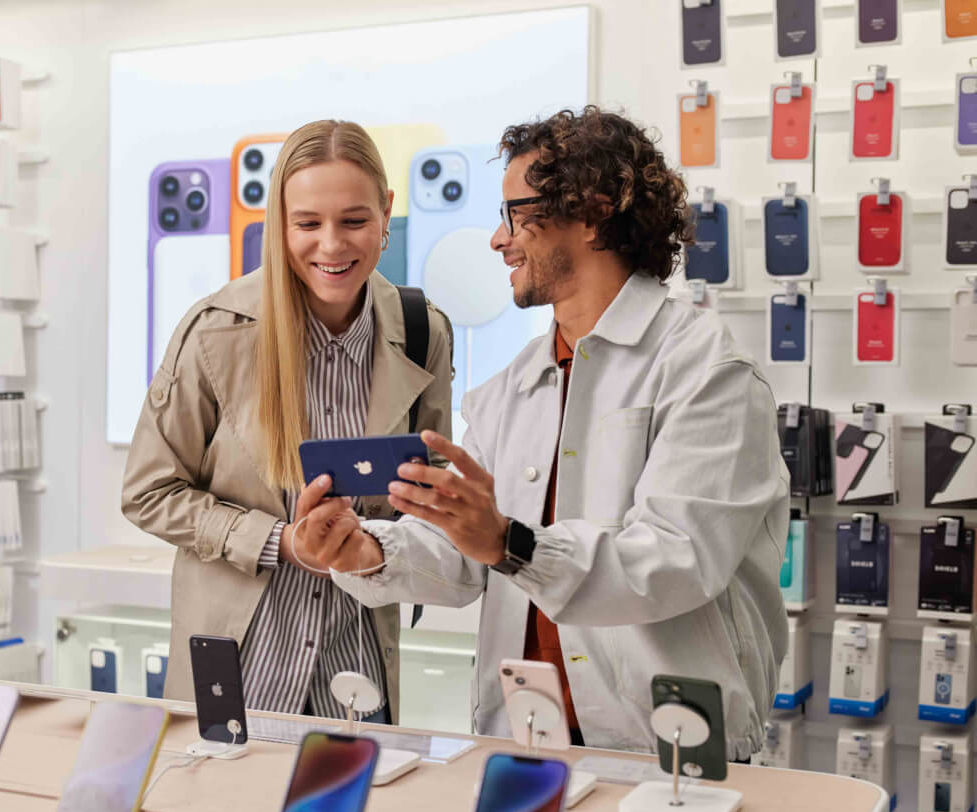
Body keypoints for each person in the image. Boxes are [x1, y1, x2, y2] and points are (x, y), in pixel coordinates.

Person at [292, 107, 788, 759]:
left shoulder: (706, 370)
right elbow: (471, 561)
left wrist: (511, 542)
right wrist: (364, 552)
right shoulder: (513, 388)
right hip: (525, 739)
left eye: (516, 214)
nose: (500, 241)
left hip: (665, 747)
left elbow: (677, 563)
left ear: (591, 213)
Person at [121, 119, 454, 722]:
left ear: (386, 212)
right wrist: (280, 544)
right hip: (240, 670)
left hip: (356, 678)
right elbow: (148, 492)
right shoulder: (216, 331)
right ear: (279, 223)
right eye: (308, 224)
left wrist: (382, 544)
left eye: (354, 221)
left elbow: (427, 506)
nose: (332, 245)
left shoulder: (422, 331)